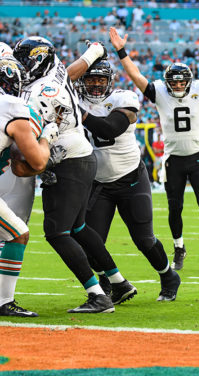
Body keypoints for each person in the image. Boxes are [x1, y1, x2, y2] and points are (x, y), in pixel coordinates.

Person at [109, 25, 199, 271]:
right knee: (175, 207)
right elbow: (137, 77)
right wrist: (121, 51)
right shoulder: (160, 91)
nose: (179, 86)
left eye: (182, 82)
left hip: (197, 156)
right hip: (174, 160)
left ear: (189, 82)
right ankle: (179, 247)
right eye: (175, 82)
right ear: (168, 82)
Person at [14, 36, 130, 313]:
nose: (21, 67)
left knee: (57, 233)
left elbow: (32, 151)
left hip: (67, 159)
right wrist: (98, 49)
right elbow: (80, 64)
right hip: (82, 155)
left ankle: (98, 295)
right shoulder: (55, 70)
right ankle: (119, 282)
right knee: (77, 227)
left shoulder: (38, 93)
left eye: (24, 61)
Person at [73, 58, 181, 302]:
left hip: (131, 178)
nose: (96, 85)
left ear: (110, 80)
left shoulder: (124, 98)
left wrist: (78, 113)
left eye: (101, 79)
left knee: (144, 240)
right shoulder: (75, 100)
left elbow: (110, 128)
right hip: (98, 183)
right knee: (91, 243)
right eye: (91, 79)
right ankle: (109, 283)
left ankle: (168, 276)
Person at [0, 56, 53, 317]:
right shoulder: (12, 106)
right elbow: (38, 161)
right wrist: (47, 138)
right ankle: (3, 301)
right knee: (17, 233)